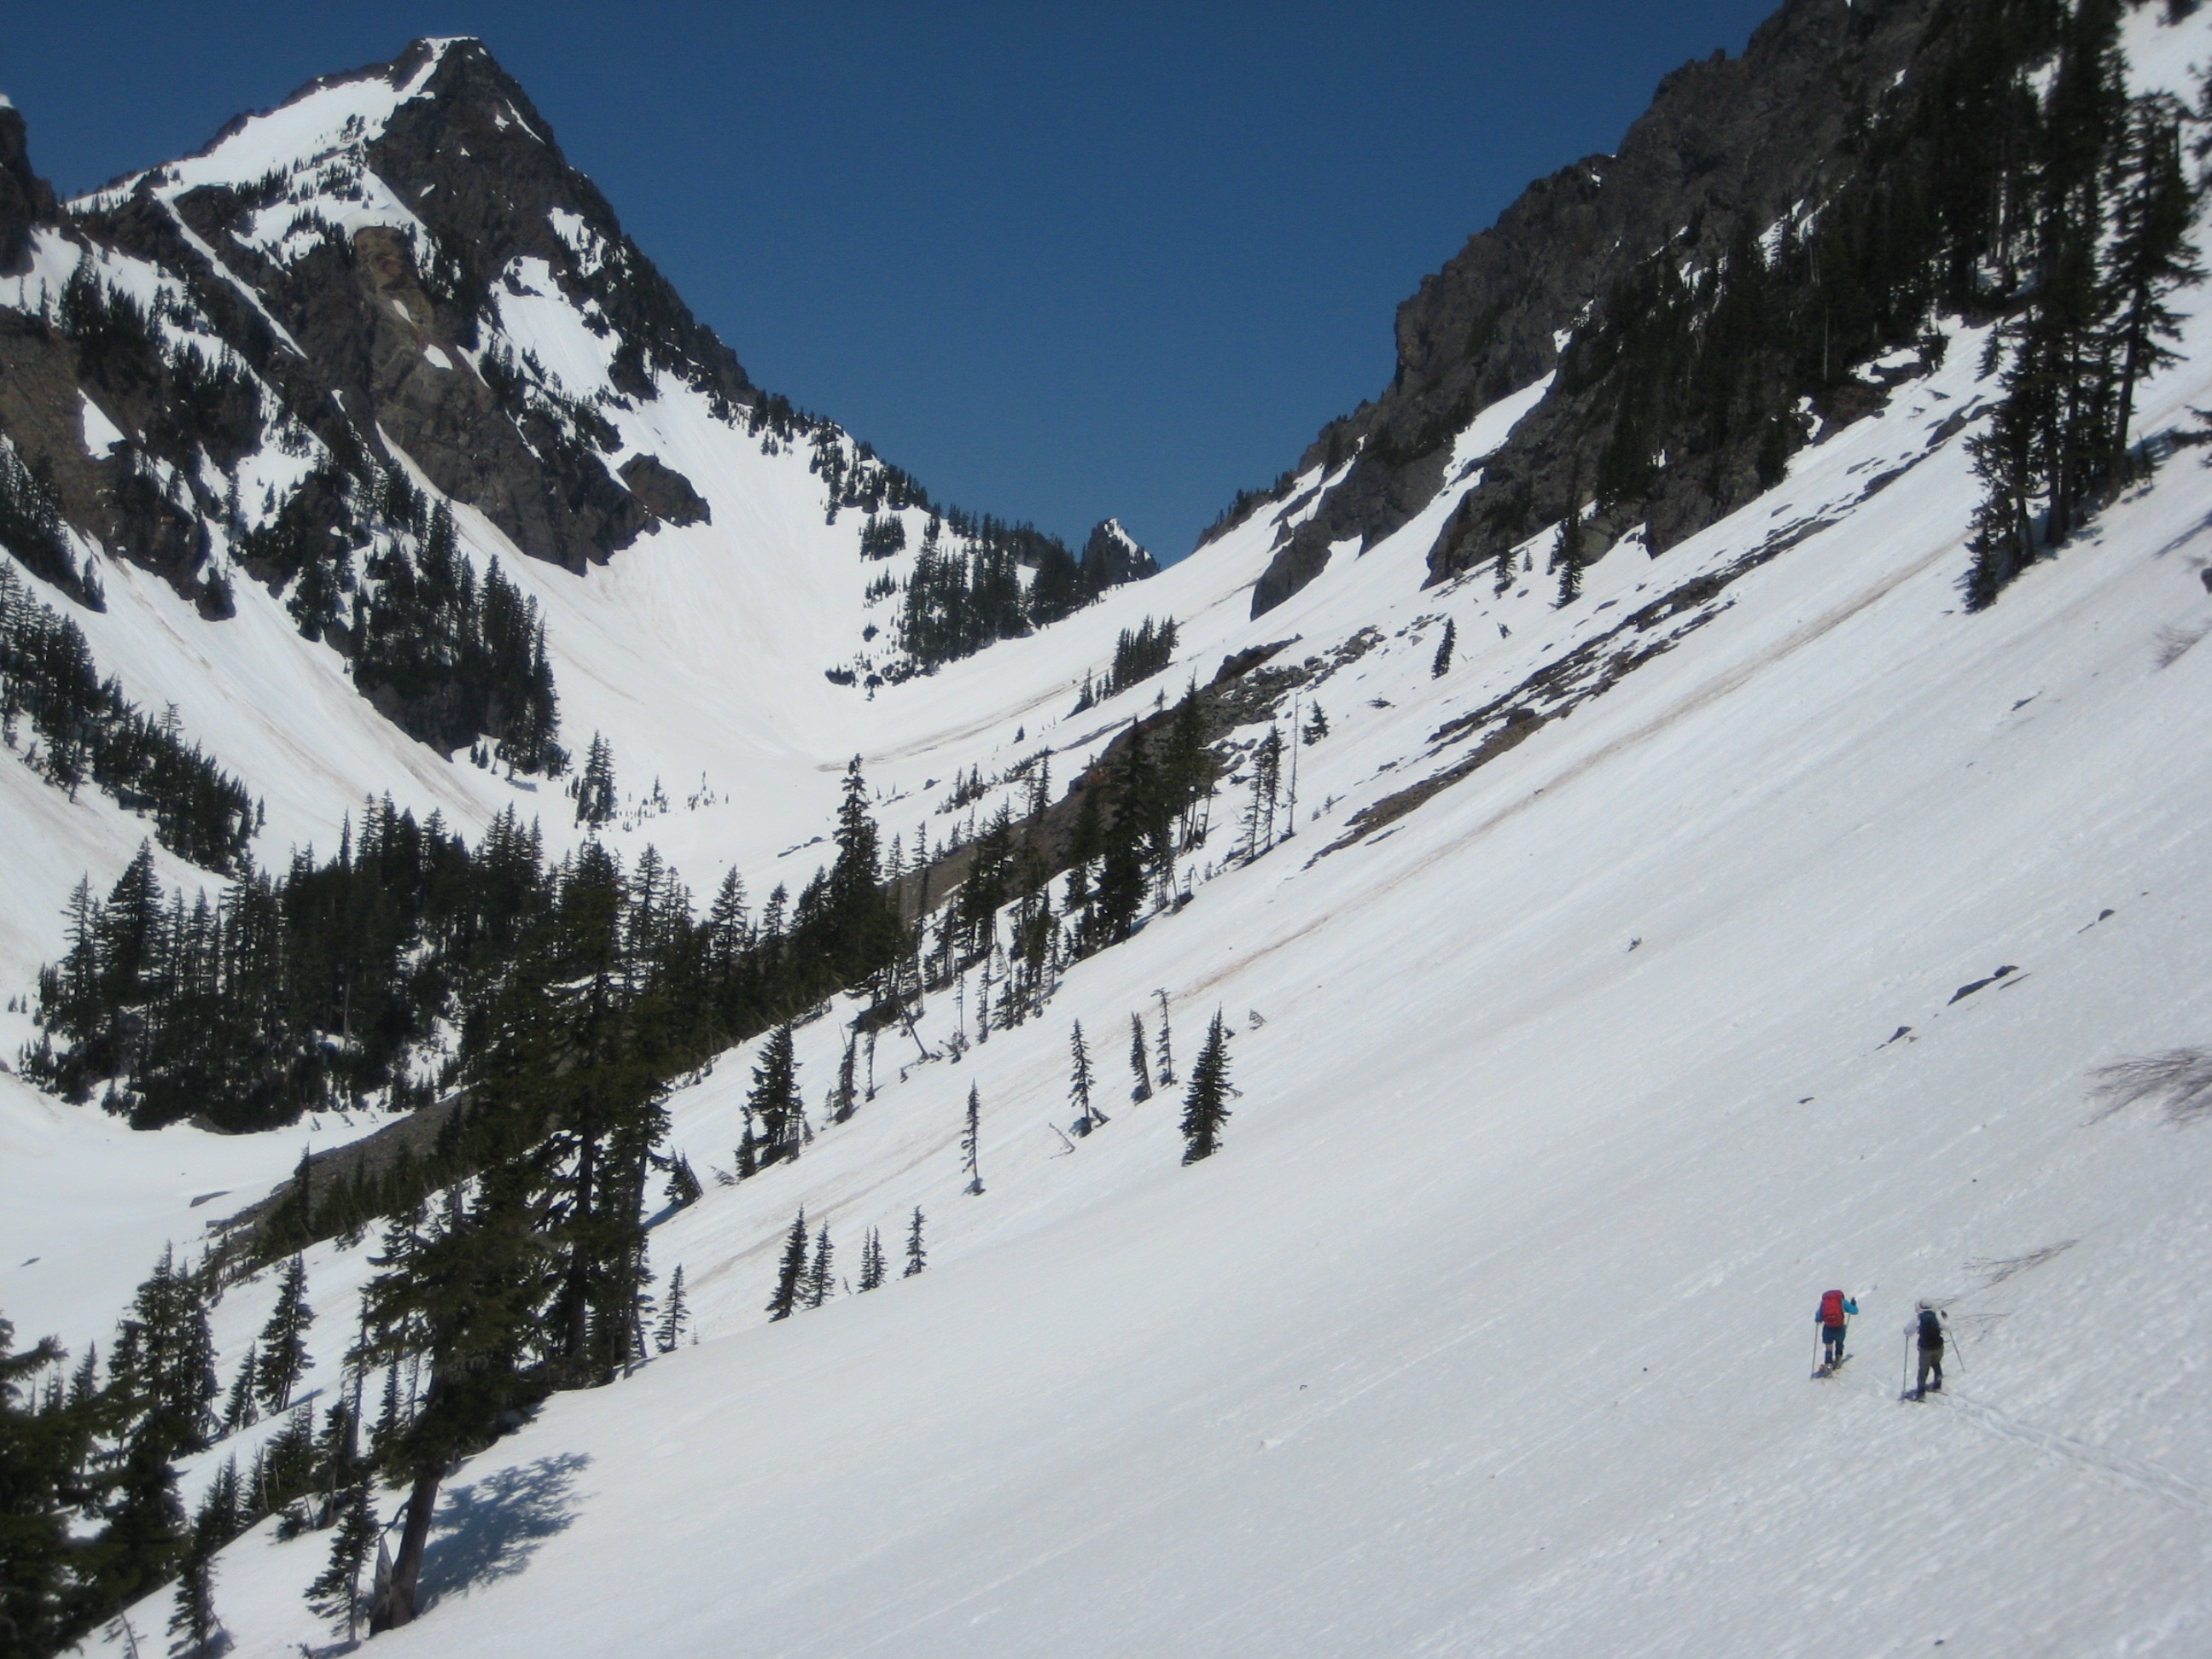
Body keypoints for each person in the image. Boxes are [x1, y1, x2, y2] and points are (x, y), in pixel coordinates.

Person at [1815, 1289, 1858, 1370]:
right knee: (1839, 1343)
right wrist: (1853, 1305)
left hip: (1828, 1328)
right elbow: (1854, 1311)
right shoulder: (1842, 1302)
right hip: (1839, 1327)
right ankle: (1838, 1358)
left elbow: (1818, 1317)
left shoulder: (1824, 1304)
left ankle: (1828, 1364)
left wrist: (1819, 1319)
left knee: (1829, 1346)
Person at [1913, 1302, 1946, 1399]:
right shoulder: (1937, 1315)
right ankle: (1937, 1385)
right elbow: (1947, 1327)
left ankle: (1921, 1394)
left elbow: (1907, 1331)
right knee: (1936, 1363)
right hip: (1938, 1347)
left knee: (1923, 1370)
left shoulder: (1918, 1318)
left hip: (1925, 1349)